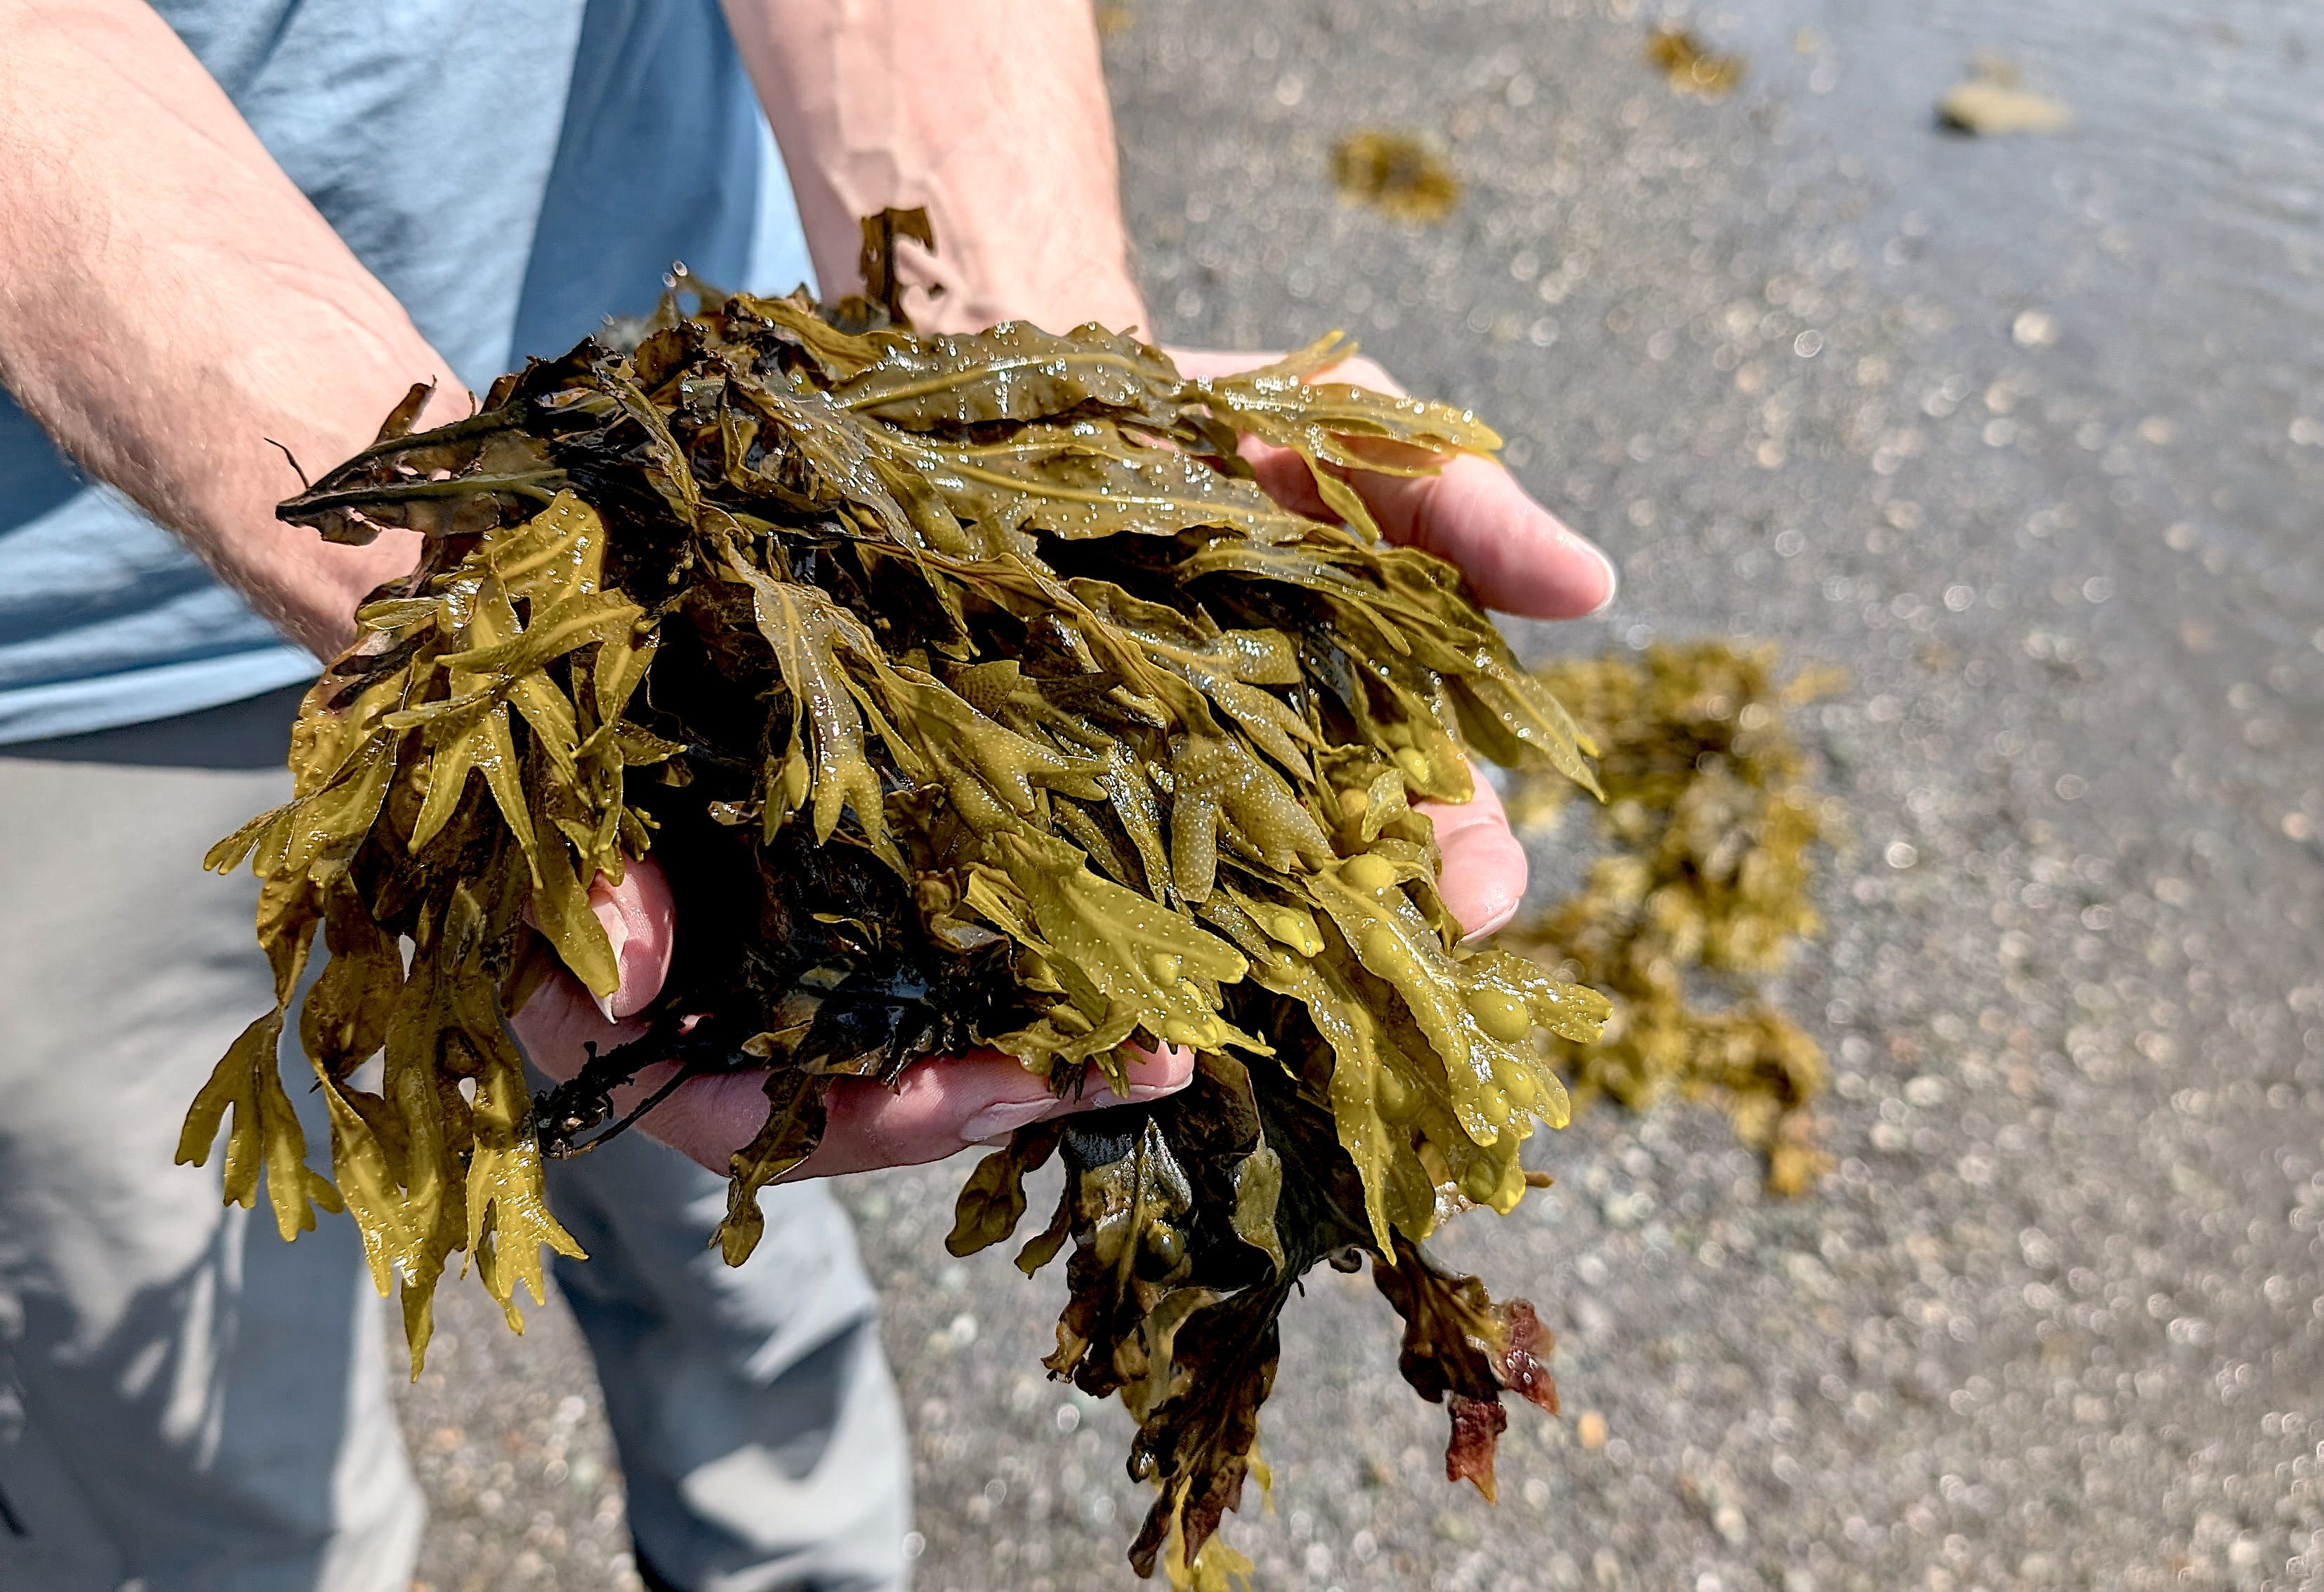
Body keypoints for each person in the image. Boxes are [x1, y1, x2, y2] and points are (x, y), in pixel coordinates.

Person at [0, 2, 1620, 1589]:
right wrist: (461, 542)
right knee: (205, 1477)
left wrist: (1039, 377)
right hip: (62, 655)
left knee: (748, 1304)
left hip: (701, 444)